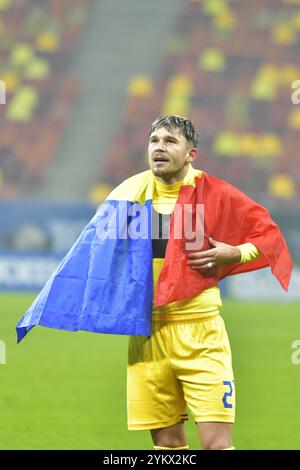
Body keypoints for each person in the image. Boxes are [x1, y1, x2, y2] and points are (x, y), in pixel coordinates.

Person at [16, 115, 293, 451]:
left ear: (191, 153)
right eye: (154, 140)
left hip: (201, 334)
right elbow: (93, 255)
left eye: (170, 141)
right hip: (147, 333)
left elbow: (268, 236)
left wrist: (235, 253)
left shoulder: (216, 193)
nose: (159, 147)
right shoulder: (128, 194)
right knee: (168, 448)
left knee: (217, 446)